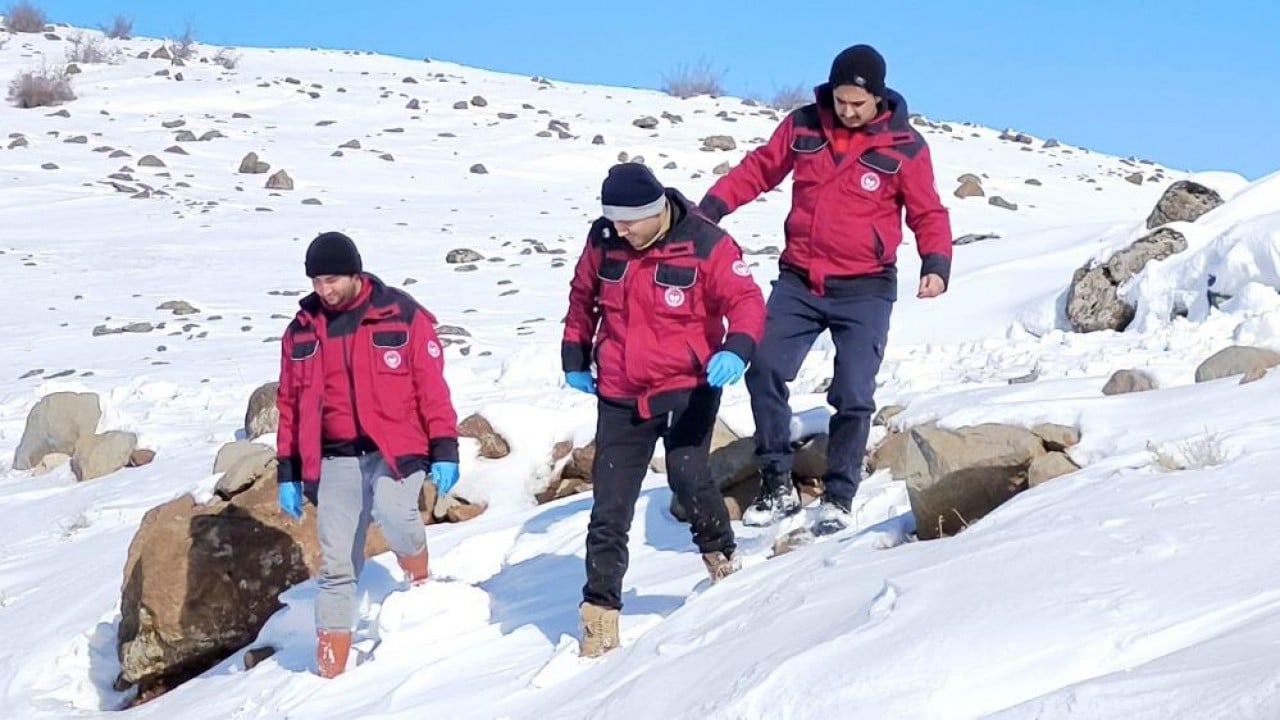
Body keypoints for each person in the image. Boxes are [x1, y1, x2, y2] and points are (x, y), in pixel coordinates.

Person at [698, 44, 953, 535]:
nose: (848, 111)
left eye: (858, 103)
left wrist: (936, 263)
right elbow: (759, 169)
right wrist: (711, 209)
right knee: (764, 367)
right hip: (800, 280)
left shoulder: (906, 146)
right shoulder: (804, 125)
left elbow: (928, 212)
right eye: (840, 101)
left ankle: (839, 495)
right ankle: (776, 483)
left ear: (878, 97)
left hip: (866, 289)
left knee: (853, 392)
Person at [562, 163, 766, 657]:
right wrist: (574, 354)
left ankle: (720, 557)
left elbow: (746, 300)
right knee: (609, 507)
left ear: (656, 211)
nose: (621, 230)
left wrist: (737, 348)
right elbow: (583, 297)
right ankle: (600, 616)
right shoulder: (604, 239)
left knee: (687, 473)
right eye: (613, 219)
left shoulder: (707, 242)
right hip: (621, 391)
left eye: (629, 221)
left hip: (688, 385)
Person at [274, 231, 461, 678]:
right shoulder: (300, 332)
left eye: (332, 280)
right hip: (335, 457)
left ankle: (420, 584)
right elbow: (289, 405)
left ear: (355, 274)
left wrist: (445, 447)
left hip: (396, 447)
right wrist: (288, 471)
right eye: (317, 281)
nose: (324, 290)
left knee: (395, 513)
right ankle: (330, 668)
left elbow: (431, 387)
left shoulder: (401, 315)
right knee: (336, 561)